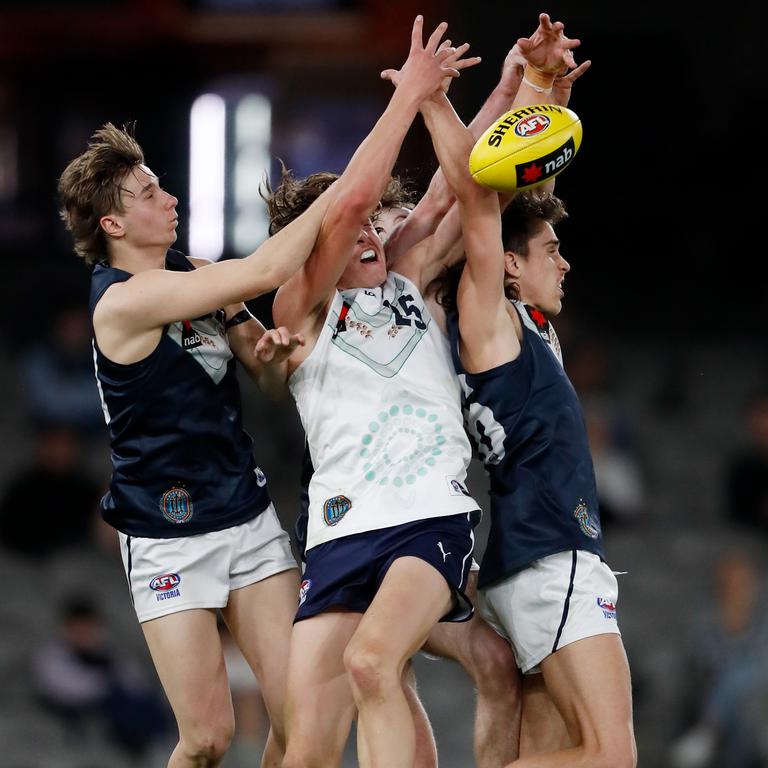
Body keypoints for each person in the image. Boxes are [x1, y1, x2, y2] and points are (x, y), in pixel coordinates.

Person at [57, 121, 335, 768]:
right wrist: (341, 195)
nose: (170, 199)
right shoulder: (122, 303)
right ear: (114, 226)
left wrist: (269, 356)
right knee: (207, 739)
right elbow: (268, 267)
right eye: (149, 193)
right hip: (165, 531)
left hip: (243, 510)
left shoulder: (198, 273)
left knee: (303, 716)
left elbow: (267, 381)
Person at [265, 17, 483, 768]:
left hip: (428, 514)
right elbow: (354, 205)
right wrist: (412, 94)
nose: (363, 233)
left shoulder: (409, 277)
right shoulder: (300, 309)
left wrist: (520, 82)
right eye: (341, 229)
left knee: (370, 663)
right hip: (338, 532)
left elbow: (464, 185)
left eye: (367, 228)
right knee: (304, 753)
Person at [418, 32, 638, 767]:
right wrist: (434, 98)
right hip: (553, 557)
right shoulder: (490, 320)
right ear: (508, 266)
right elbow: (483, 194)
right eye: (549, 251)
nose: (565, 260)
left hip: (529, 562)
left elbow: (517, 179)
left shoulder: (526, 325)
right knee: (610, 757)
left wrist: (546, 92)